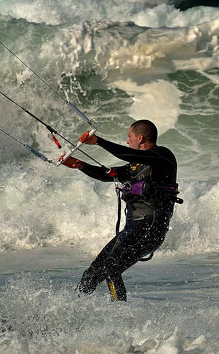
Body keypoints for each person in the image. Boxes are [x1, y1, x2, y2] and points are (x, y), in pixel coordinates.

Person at [62, 119, 179, 301]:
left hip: (150, 228)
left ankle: (121, 317)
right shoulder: (134, 167)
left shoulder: (163, 156)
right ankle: (71, 311)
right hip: (132, 229)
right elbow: (105, 174)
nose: (127, 141)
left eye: (129, 137)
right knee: (92, 273)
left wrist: (98, 141)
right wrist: (79, 165)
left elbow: (126, 153)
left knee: (111, 266)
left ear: (140, 138)